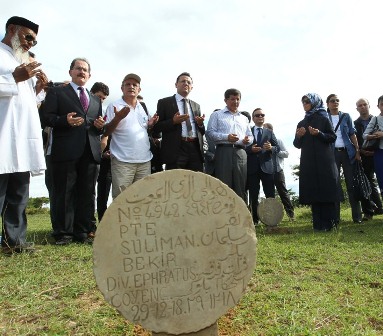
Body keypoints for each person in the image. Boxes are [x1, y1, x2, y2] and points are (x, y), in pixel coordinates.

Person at [42, 58, 105, 245]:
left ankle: (84, 232)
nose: (81, 72)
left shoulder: (95, 99)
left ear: (89, 75)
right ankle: (63, 233)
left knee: (87, 193)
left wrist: (100, 126)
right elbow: (47, 117)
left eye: (85, 70)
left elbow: (96, 124)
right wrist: (64, 121)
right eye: (78, 68)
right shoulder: (57, 92)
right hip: (65, 150)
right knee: (64, 192)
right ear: (70, 72)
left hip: (90, 151)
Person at [0, 16, 46, 254]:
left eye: (34, 42)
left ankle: (14, 242)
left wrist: (38, 89)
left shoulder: (23, 62)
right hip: (3, 136)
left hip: (23, 138)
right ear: (12, 30)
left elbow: (28, 104)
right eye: (28, 37)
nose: (30, 44)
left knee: (19, 192)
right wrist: (13, 78)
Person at [103, 74, 158, 199]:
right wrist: (117, 118)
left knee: (143, 200)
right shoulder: (114, 106)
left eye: (135, 85)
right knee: (122, 201)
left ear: (139, 90)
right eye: (127, 84)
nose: (131, 87)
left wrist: (150, 125)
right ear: (122, 88)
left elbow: (144, 130)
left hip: (144, 161)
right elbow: (106, 131)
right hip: (122, 161)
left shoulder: (142, 107)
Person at [294, 93, 340, 231]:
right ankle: (318, 225)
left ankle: (331, 223)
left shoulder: (324, 118)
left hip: (325, 160)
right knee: (313, 190)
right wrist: (299, 136)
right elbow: (296, 144)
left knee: (327, 189)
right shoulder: (302, 123)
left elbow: (332, 137)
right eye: (303, 102)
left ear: (314, 102)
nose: (305, 104)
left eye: (307, 101)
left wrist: (319, 133)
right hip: (309, 161)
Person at [206, 88, 253, 202]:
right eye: (232, 99)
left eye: (238, 99)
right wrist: (226, 137)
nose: (235, 102)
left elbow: (250, 136)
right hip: (223, 151)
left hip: (241, 153)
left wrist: (248, 140)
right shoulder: (216, 115)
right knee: (223, 185)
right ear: (225, 100)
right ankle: (223, 217)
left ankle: (241, 217)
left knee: (241, 184)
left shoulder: (244, 118)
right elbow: (210, 133)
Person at [153, 72, 205, 171]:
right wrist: (173, 121)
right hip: (176, 149)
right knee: (175, 183)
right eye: (183, 81)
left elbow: (201, 132)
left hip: (195, 148)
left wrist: (200, 124)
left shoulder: (196, 106)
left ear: (191, 87)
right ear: (176, 84)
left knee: (195, 183)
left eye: (188, 82)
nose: (186, 84)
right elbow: (156, 127)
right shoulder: (165, 103)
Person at [326, 94, 362, 224]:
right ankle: (335, 218)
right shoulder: (325, 117)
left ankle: (357, 216)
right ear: (328, 104)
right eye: (332, 101)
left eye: (337, 100)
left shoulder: (346, 116)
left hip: (347, 153)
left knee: (351, 184)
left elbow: (352, 133)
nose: (335, 102)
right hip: (332, 154)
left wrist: (357, 150)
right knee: (334, 185)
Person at [245, 109, 279, 225]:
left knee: (270, 194)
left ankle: (272, 220)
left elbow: (277, 148)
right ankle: (255, 220)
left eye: (262, 115)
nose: (260, 116)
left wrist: (271, 148)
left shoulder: (269, 132)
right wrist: (250, 149)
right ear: (253, 118)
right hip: (252, 167)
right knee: (254, 195)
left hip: (267, 167)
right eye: (257, 115)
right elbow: (242, 147)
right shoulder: (247, 130)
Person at [354, 98, 383, 217]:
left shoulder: (375, 119)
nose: (362, 107)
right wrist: (360, 151)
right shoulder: (355, 123)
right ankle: (368, 210)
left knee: (378, 181)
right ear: (357, 108)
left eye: (364, 104)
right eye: (359, 105)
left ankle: (379, 208)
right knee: (365, 182)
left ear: (369, 105)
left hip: (377, 152)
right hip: (364, 155)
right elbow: (356, 139)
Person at [263, 122, 295, 220]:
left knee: (283, 192)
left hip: (278, 170)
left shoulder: (279, 141)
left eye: (264, 129)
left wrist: (273, 149)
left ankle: (291, 215)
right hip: (266, 171)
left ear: (270, 131)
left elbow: (286, 154)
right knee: (269, 194)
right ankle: (272, 218)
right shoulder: (261, 143)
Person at [363, 95, 383, 201]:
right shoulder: (375, 119)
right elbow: (365, 135)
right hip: (379, 152)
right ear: (378, 106)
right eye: (382, 104)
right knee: (381, 179)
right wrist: (375, 135)